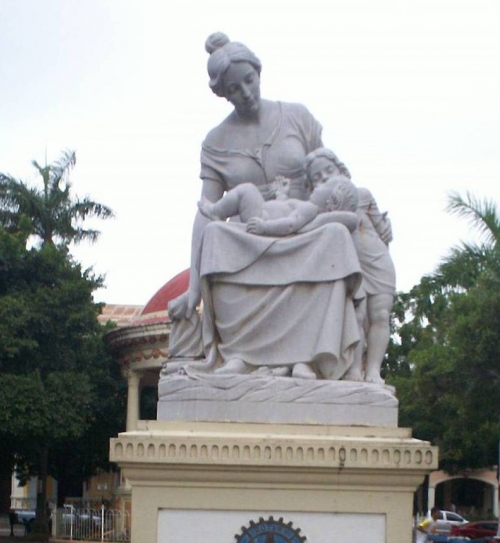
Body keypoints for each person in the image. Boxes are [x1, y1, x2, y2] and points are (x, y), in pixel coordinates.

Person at [167, 33, 362, 381]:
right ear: (222, 93)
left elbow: (334, 176)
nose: (245, 92)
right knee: (214, 233)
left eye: (249, 80)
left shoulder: (297, 117)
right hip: (251, 236)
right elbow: (206, 210)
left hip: (303, 229)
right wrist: (193, 287)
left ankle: (310, 357)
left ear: (259, 72)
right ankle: (241, 354)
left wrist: (370, 216)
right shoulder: (215, 142)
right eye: (233, 88)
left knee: (335, 235)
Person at [305, 148, 396, 384]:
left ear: (341, 170)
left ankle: (374, 370)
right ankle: (354, 369)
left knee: (380, 315)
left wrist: (387, 226)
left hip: (377, 262)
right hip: (349, 265)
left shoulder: (363, 194)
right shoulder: (318, 207)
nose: (324, 178)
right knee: (356, 316)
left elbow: (383, 230)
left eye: (329, 171)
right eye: (317, 177)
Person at [198, 174, 359, 238]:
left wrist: (265, 227)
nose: (318, 184)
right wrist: (281, 194)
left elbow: (290, 224)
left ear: (333, 201)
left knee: (247, 190)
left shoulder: (310, 210)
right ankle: (217, 212)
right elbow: (285, 209)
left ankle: (215, 210)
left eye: (324, 184)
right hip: (262, 216)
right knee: (247, 190)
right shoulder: (307, 207)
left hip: (261, 218)